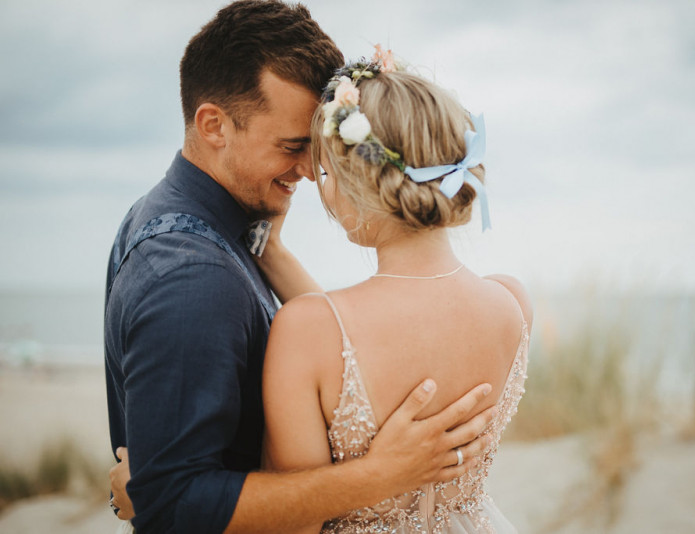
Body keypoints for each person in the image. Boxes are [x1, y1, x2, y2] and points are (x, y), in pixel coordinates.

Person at [105, 2, 496, 532]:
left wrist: (272, 250)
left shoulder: (190, 223)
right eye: (293, 147)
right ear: (213, 125)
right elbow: (174, 505)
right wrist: (380, 475)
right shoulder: (191, 278)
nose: (312, 173)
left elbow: (344, 344)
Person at [259, 52, 532, 532]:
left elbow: (290, 524)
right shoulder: (511, 303)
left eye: (324, 173)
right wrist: (274, 254)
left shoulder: (306, 331)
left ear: (357, 180)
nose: (322, 190)